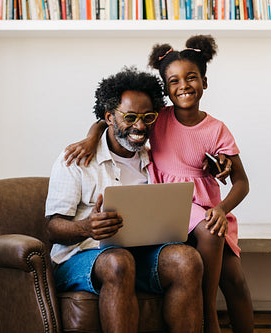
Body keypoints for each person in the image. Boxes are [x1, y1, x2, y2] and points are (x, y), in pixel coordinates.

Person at [63, 35, 253, 333]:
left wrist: (219, 188)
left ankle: (218, 319)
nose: (184, 86)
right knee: (208, 231)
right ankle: (209, 319)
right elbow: (111, 117)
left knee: (236, 280)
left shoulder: (214, 129)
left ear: (205, 81)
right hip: (180, 206)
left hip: (210, 204)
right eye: (174, 81)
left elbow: (240, 180)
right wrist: (91, 137)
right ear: (166, 88)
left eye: (192, 78)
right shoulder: (157, 119)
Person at [45, 67, 204, 333]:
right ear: (109, 117)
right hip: (82, 259)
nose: (140, 126)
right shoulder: (75, 159)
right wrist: (87, 227)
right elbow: (52, 228)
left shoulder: (156, 159)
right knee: (118, 260)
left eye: (147, 117)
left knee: (187, 260)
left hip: (139, 256)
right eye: (130, 117)